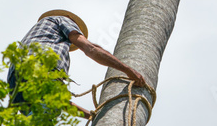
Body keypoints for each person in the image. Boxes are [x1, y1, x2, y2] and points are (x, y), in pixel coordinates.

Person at [8, 8, 147, 118]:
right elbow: (90, 49)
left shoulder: (39, 36)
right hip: (40, 68)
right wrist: (128, 70)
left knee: (39, 123)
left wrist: (90, 115)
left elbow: (58, 101)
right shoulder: (63, 20)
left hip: (15, 82)